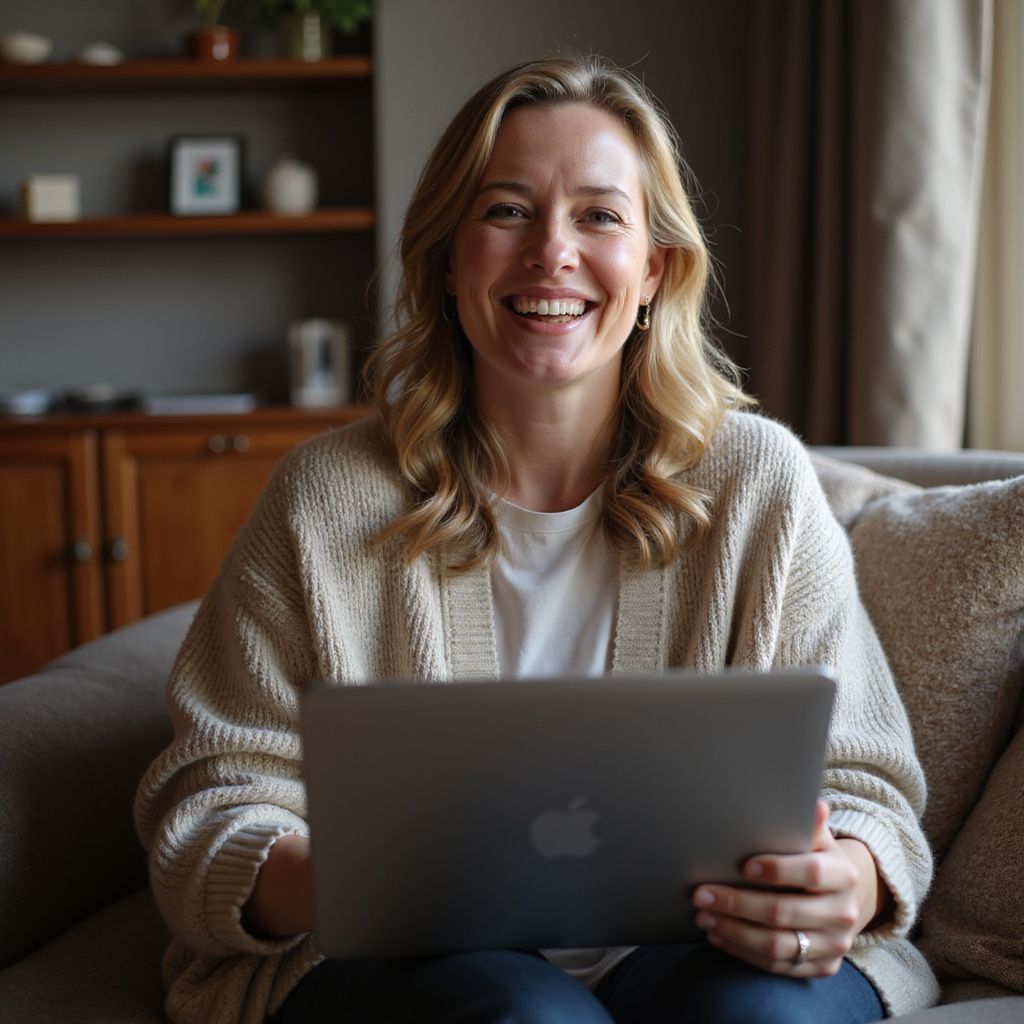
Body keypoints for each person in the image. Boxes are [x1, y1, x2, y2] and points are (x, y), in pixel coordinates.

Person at [134, 55, 939, 1024]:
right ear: (444, 260)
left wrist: (845, 879)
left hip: (706, 950)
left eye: (599, 215)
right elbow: (209, 803)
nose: (550, 252)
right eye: (506, 210)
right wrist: (357, 882)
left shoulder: (757, 482)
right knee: (528, 1016)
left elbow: (866, 787)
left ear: (653, 269)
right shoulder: (323, 500)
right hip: (422, 967)